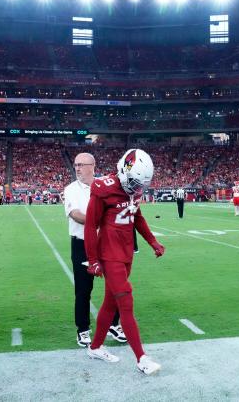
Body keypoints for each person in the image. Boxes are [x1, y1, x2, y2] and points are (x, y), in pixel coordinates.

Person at [84, 148, 166, 375]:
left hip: (126, 253)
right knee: (125, 301)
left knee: (110, 303)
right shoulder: (104, 188)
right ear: (123, 170)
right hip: (109, 253)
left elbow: (136, 216)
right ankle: (141, 358)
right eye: (135, 183)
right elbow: (91, 225)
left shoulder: (134, 189)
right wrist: (92, 260)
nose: (138, 189)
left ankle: (95, 347)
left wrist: (153, 242)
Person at [63, 153, 125, 347]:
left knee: (115, 285)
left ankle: (114, 324)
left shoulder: (105, 185)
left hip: (106, 242)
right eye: (76, 165)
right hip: (81, 243)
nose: (77, 168)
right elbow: (75, 215)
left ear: (93, 166)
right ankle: (82, 329)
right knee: (83, 289)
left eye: (81, 164)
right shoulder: (71, 189)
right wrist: (101, 219)